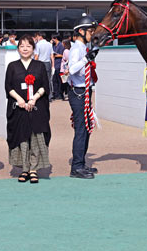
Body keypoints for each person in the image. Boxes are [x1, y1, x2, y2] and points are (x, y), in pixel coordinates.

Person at [5, 35, 51, 184]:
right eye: (22, 46)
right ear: (18, 49)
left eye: (28, 46)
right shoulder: (12, 66)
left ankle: (33, 170)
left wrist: (34, 99)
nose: (25, 49)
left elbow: (45, 85)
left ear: (33, 49)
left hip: (37, 108)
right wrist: (20, 100)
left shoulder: (39, 66)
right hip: (19, 109)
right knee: (22, 139)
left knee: (36, 138)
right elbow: (8, 87)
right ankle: (24, 169)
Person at [67, 14, 100, 179]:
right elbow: (72, 69)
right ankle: (76, 167)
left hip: (85, 90)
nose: (92, 34)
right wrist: (87, 59)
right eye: (90, 31)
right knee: (81, 130)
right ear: (81, 31)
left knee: (87, 129)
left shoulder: (83, 48)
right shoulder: (76, 49)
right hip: (78, 93)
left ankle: (81, 162)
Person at [33, 31, 54, 101]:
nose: (36, 38)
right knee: (48, 80)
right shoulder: (49, 44)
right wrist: (53, 66)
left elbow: (36, 55)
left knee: (39, 80)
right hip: (48, 63)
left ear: (40, 36)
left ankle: (41, 95)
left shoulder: (38, 44)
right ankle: (49, 96)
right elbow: (52, 56)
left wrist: (33, 64)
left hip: (40, 63)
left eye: (37, 36)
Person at [51, 33, 65, 100]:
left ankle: (60, 94)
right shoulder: (53, 45)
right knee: (54, 80)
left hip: (59, 64)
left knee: (59, 80)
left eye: (53, 38)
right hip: (55, 65)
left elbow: (63, 55)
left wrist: (56, 55)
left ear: (56, 38)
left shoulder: (61, 45)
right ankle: (56, 94)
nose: (52, 40)